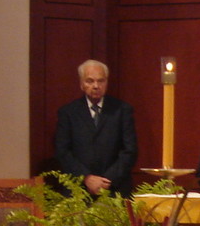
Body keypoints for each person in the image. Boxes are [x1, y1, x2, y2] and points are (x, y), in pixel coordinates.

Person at [54, 59, 138, 197]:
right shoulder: (68, 113)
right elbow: (62, 152)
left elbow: (130, 151)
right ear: (81, 84)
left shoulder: (122, 110)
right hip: (78, 190)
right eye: (90, 81)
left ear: (106, 83)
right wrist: (86, 178)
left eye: (101, 81)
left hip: (115, 189)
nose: (96, 86)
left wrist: (107, 180)